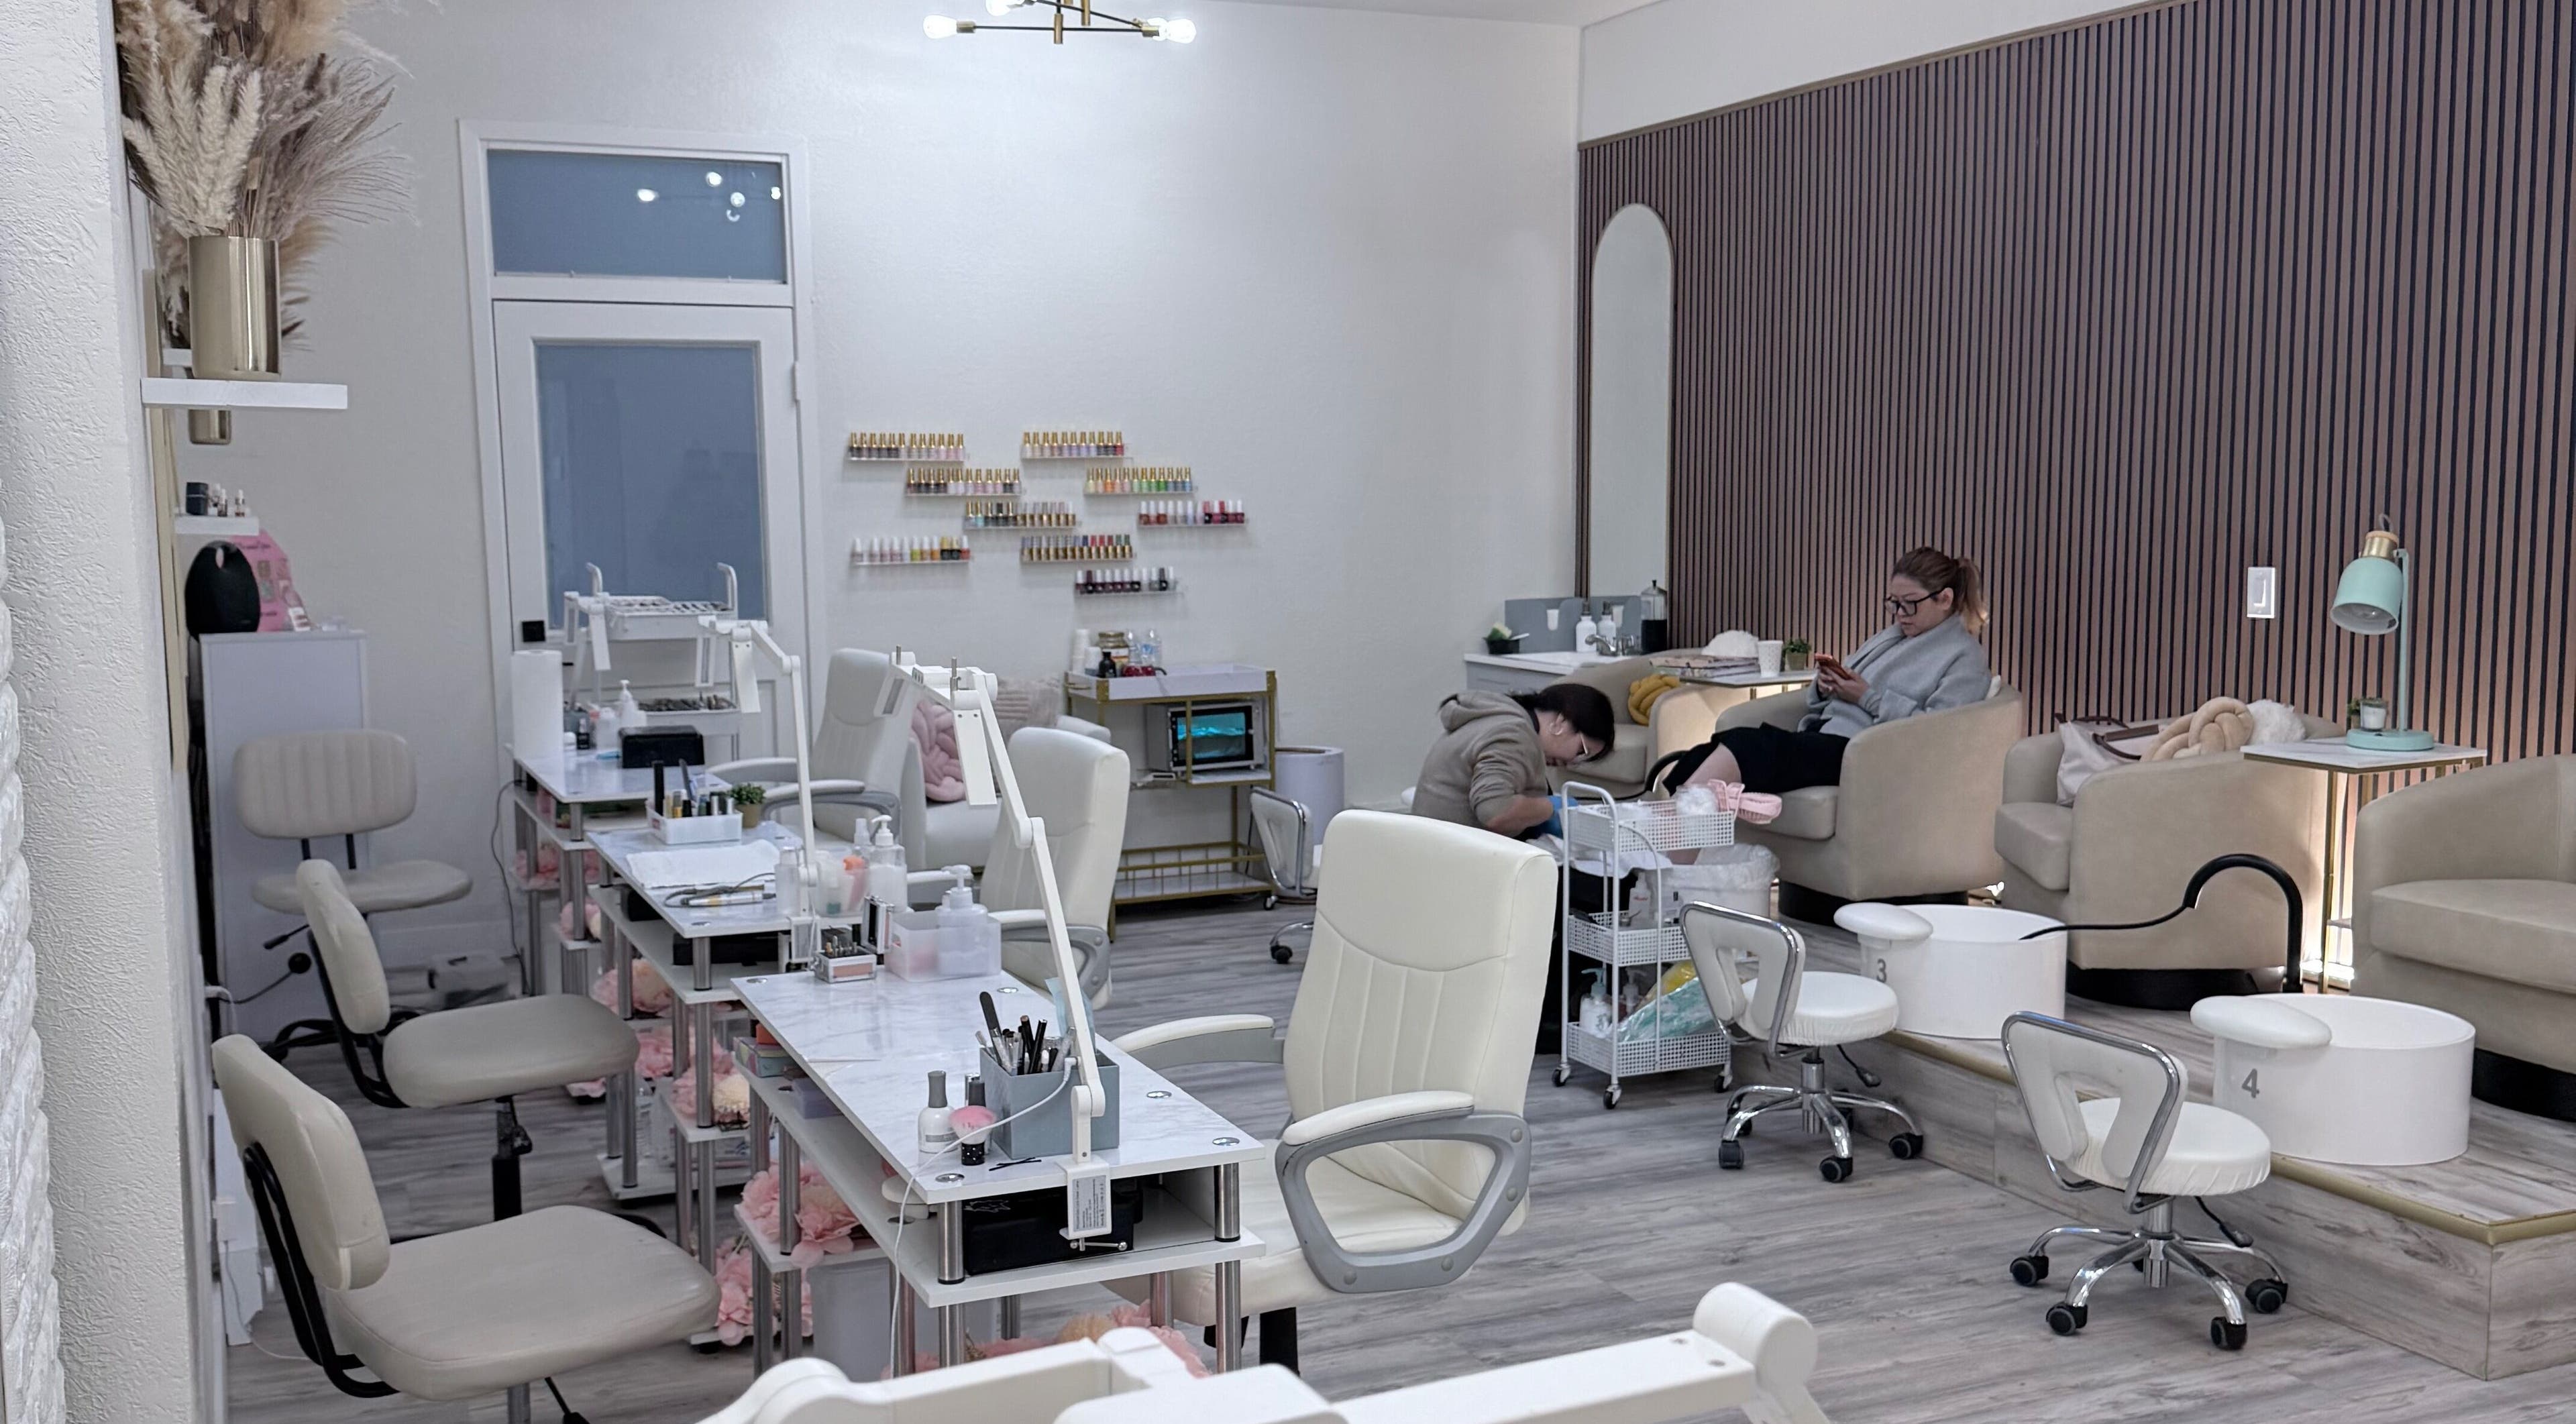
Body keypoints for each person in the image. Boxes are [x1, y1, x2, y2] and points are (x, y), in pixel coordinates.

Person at [1666, 547, 1991, 796]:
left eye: (1909, 603)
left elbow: (1939, 735)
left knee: (1746, 748)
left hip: (1863, 755)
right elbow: (1842, 686)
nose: (1900, 614)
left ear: (1944, 599)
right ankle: (1653, 853)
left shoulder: (1964, 657)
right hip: (1826, 736)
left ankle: (1668, 857)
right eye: (1893, 603)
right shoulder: (1893, 636)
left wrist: (1868, 698)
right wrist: (1827, 685)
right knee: (1704, 753)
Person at [1411, 684, 1617, 837]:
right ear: (1561, 722)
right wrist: (1550, 808)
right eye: (1581, 750)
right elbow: (1495, 812)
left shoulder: (1496, 719)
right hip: (1452, 857)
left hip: (1430, 843)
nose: (1571, 762)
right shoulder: (1515, 735)